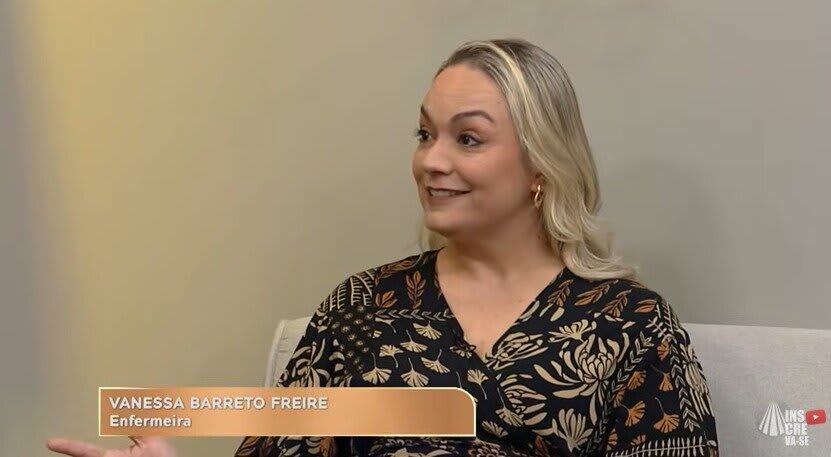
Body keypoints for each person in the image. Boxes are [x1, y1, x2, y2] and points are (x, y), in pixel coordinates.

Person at [46, 38, 719, 457]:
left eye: (468, 138)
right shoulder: (362, 306)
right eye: (425, 134)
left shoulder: (631, 325)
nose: (431, 160)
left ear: (542, 165)